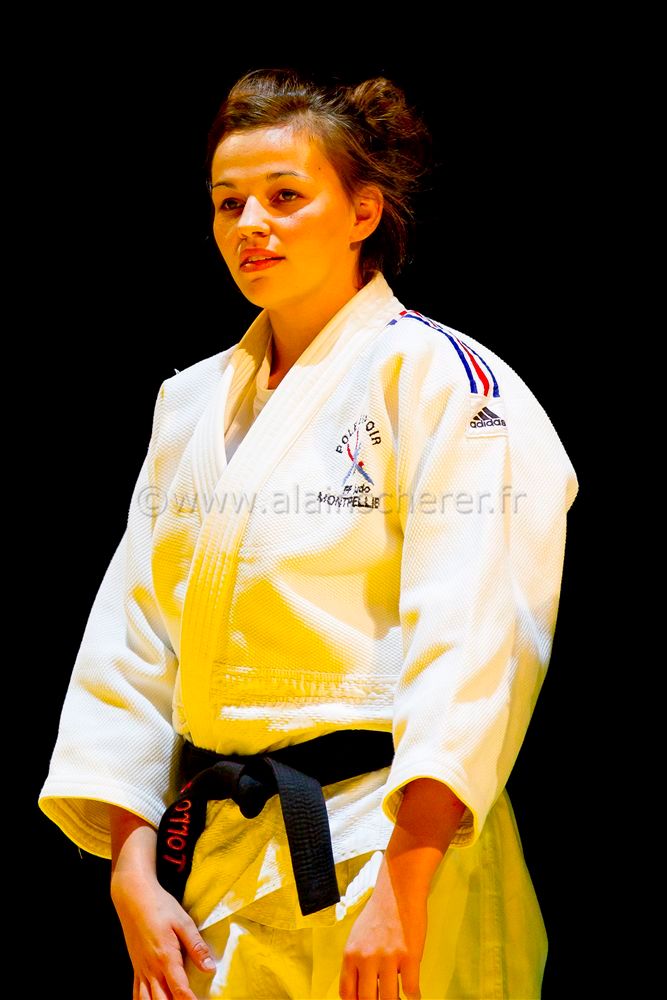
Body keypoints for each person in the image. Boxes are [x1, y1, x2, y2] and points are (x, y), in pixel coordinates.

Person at [38, 67, 579, 1000]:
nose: (251, 224)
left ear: (364, 211)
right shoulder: (193, 404)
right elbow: (134, 640)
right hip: (218, 863)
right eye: (229, 202)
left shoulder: (441, 381)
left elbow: (479, 635)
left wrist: (403, 883)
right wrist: (132, 869)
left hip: (390, 845)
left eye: (285, 196)